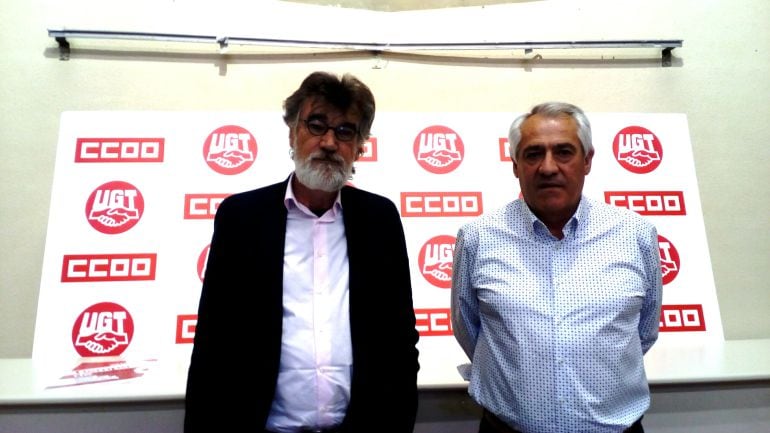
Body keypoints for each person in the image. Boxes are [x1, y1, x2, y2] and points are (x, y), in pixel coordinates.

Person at [184, 71, 420, 433]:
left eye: (345, 131)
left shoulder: (380, 220)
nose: (328, 142)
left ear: (360, 146)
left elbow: (399, 340)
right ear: (293, 133)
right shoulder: (242, 219)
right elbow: (213, 343)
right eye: (316, 125)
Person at [451, 102, 663, 433]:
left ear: (588, 160)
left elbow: (644, 330)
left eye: (564, 152)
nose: (548, 167)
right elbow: (469, 329)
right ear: (515, 165)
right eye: (533, 154)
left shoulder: (635, 234)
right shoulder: (478, 237)